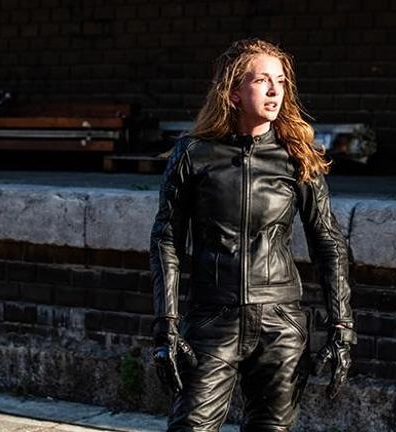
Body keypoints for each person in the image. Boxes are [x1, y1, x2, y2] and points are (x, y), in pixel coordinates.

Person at [149, 38, 356, 432]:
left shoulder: (297, 155)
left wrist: (342, 327)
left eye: (281, 81)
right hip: (212, 317)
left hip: (279, 322)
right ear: (233, 92)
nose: (275, 91)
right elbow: (167, 239)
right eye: (262, 80)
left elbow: (328, 242)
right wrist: (166, 324)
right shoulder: (194, 154)